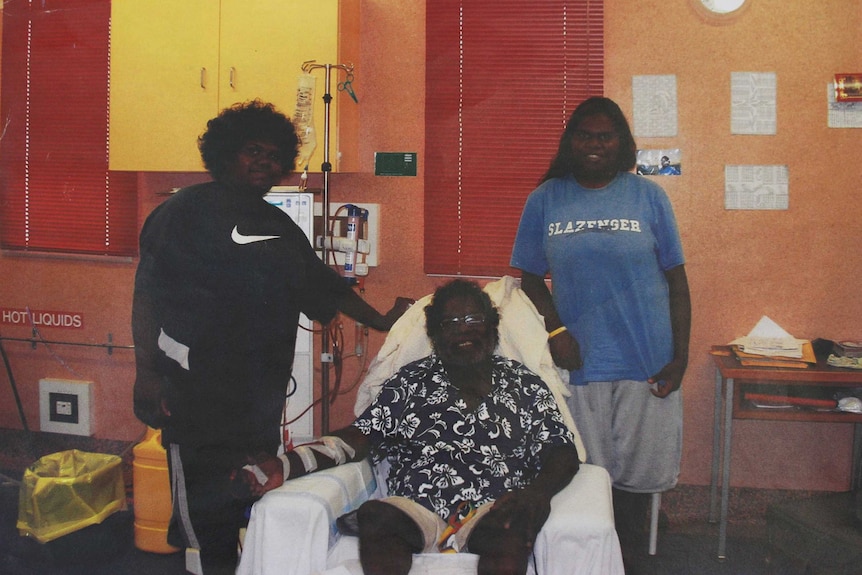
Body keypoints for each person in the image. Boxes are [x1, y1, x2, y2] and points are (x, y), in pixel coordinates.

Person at [131, 100, 413, 575]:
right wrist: (146, 375)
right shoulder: (181, 212)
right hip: (194, 392)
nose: (263, 162)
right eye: (252, 151)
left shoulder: (278, 226)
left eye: (273, 155)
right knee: (203, 514)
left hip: (257, 397)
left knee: (245, 486)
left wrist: (386, 320)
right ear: (224, 154)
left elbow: (324, 286)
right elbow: (147, 298)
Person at [248, 279, 581, 575]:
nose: (463, 329)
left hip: (491, 509)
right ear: (435, 335)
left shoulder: (524, 384)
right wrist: (286, 464)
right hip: (417, 507)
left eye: (472, 320)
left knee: (514, 525)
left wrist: (536, 493)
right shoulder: (410, 383)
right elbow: (358, 438)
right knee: (376, 515)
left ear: (492, 326)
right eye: (451, 323)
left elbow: (561, 451)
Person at [509, 96, 691, 568]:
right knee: (585, 474)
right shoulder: (546, 198)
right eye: (585, 135)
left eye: (605, 136)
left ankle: (628, 560)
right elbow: (529, 277)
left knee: (637, 481)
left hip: (647, 358)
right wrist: (556, 331)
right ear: (571, 142)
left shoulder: (649, 196)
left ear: (622, 144)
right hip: (579, 361)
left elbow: (676, 280)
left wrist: (680, 358)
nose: (595, 144)